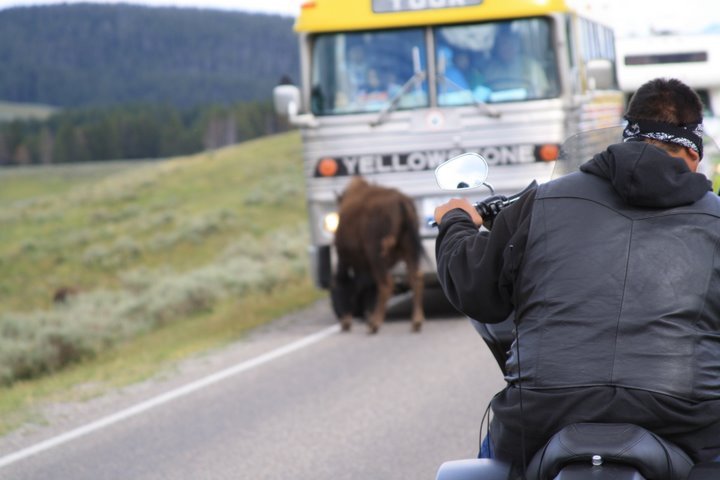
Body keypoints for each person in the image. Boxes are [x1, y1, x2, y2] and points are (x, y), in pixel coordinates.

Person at [433, 77, 720, 469]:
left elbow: (474, 287)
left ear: (627, 136)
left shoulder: (540, 202)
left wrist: (455, 223)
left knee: (493, 463)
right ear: (694, 152)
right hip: (684, 417)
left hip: (543, 410)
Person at [482, 29, 549, 97]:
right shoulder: (489, 68)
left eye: (511, 43)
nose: (508, 47)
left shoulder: (531, 66)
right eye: (504, 44)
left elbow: (540, 92)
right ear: (497, 47)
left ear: (517, 46)